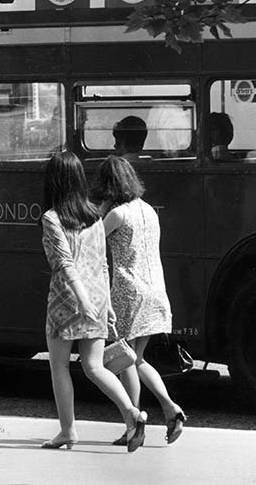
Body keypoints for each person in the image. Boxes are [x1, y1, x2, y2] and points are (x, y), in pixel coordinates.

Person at [40, 151, 146, 452]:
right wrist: (105, 303)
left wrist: (82, 299)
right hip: (99, 298)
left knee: (59, 366)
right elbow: (102, 263)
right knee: (94, 366)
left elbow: (64, 264)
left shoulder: (52, 218)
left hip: (67, 301)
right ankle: (132, 414)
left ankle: (68, 431)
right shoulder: (94, 215)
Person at [93, 155, 187, 446]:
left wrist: (101, 210)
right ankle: (171, 408)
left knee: (125, 361)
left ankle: (133, 423)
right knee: (138, 358)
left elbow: (90, 240)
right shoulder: (149, 210)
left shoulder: (117, 214)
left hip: (128, 292)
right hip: (155, 292)